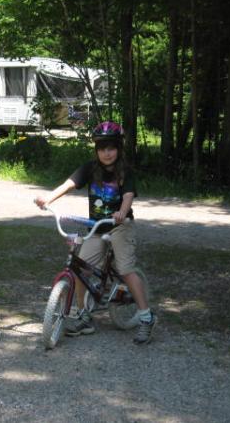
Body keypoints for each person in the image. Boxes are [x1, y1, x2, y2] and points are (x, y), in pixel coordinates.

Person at [34, 121, 157, 345]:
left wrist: (121, 211)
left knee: (126, 269)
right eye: (102, 148)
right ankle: (84, 316)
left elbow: (128, 195)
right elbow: (69, 184)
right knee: (80, 267)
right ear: (96, 149)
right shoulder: (90, 168)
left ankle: (146, 316)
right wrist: (48, 198)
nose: (106, 153)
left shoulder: (125, 172)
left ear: (119, 149)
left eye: (111, 148)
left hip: (120, 225)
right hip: (97, 227)